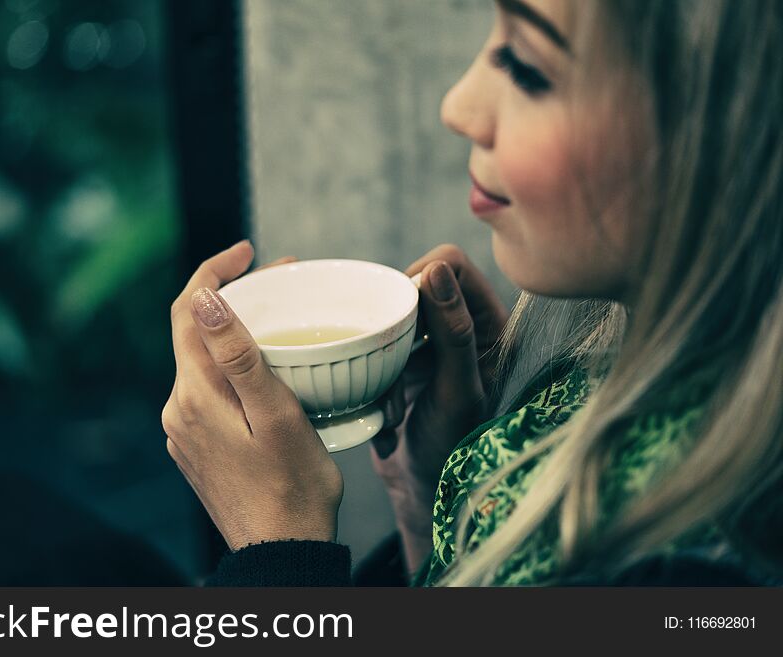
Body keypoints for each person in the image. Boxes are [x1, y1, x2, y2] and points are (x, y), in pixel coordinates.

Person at [161, 0, 783, 586]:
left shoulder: (700, 567)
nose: (458, 107)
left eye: (528, 69)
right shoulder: (612, 387)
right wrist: (439, 503)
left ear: (729, 134)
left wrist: (275, 552)